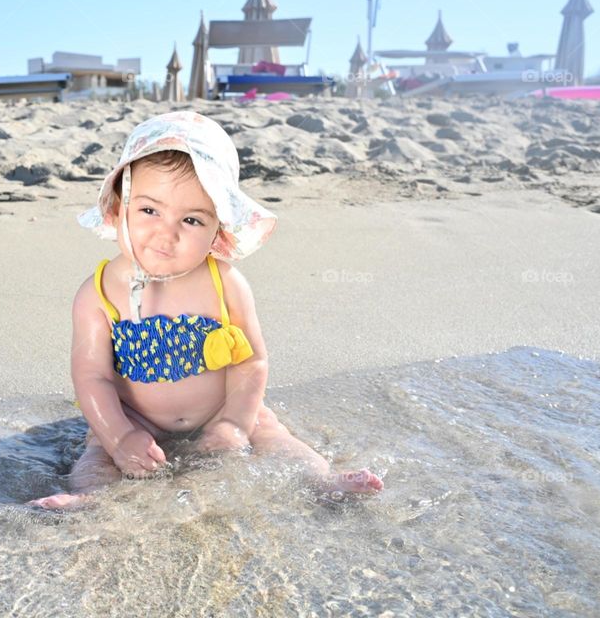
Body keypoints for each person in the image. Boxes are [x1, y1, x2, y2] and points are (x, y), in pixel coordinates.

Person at [29, 111, 383, 509]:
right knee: (96, 457)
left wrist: (234, 422)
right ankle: (90, 501)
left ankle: (318, 479)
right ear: (119, 206)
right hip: (134, 417)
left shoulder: (225, 283)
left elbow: (252, 363)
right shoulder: (98, 294)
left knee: (271, 433)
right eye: (149, 211)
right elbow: (92, 377)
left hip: (219, 408)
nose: (168, 232)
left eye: (192, 219)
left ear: (218, 229)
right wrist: (119, 437)